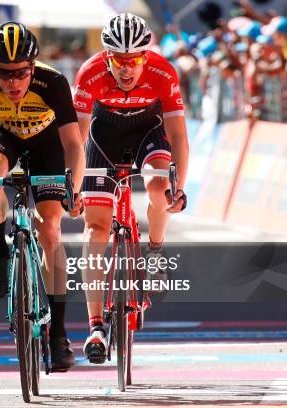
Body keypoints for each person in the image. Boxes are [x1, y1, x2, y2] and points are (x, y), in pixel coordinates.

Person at [0, 21, 85, 372]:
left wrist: (74, 189)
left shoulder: (52, 82)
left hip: (46, 143)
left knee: (52, 231)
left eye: (21, 73)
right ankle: (0, 252)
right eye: (4, 74)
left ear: (33, 67)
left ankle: (58, 333)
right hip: (1, 134)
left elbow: (73, 143)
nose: (13, 83)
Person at [72, 13, 189, 363]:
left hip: (149, 136)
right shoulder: (89, 73)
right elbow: (75, 137)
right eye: (119, 61)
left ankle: (154, 250)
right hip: (102, 140)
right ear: (107, 57)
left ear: (145, 55)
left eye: (135, 60)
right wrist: (73, 185)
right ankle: (95, 326)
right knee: (95, 230)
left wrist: (177, 186)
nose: (127, 69)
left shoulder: (163, 72)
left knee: (157, 187)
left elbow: (179, 136)